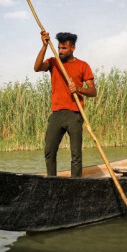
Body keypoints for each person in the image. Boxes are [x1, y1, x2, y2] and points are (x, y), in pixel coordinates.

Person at [34, 31, 97, 177]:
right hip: (56, 113)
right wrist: (44, 46)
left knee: (76, 154)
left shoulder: (83, 66)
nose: (60, 51)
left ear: (73, 48)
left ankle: (76, 183)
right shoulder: (53, 62)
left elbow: (93, 91)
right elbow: (37, 68)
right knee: (49, 151)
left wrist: (79, 89)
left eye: (64, 48)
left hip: (74, 114)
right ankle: (52, 180)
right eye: (59, 48)